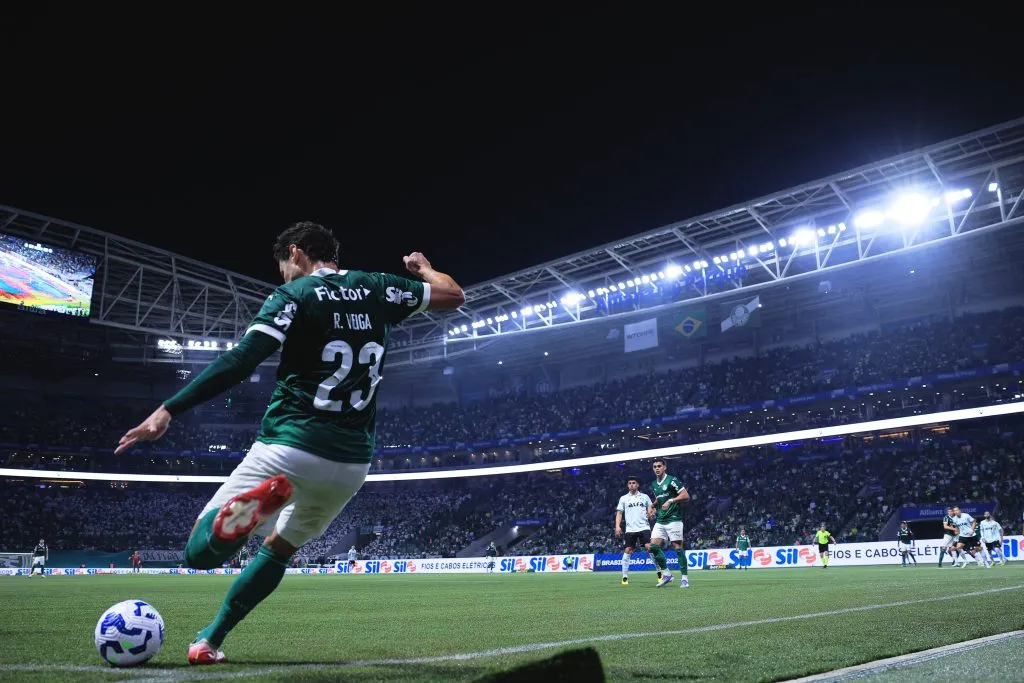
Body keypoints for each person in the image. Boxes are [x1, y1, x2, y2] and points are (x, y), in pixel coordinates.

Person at [115, 222, 464, 665]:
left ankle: (238, 520)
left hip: (290, 445)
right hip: (351, 464)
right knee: (279, 550)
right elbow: (454, 295)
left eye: (282, 265)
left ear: (296, 253)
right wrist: (424, 268)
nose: (282, 274)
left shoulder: (294, 296)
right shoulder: (379, 287)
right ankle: (209, 641)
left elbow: (242, 359)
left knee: (200, 553)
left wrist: (168, 409)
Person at [649, 459, 690, 588]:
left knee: (677, 547)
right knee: (653, 547)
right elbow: (660, 498)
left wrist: (671, 500)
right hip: (661, 520)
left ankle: (684, 578)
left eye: (659, 466)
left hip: (674, 519)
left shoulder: (672, 480)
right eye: (655, 466)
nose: (657, 468)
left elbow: (685, 495)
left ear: (664, 467)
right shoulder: (654, 484)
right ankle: (667, 574)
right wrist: (652, 506)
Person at [614, 476, 654, 585]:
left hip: (644, 527)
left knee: (649, 547)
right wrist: (617, 526)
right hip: (630, 529)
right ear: (628, 485)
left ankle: (660, 572)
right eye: (630, 483)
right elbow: (619, 513)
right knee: (628, 550)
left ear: (637, 485)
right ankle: (625, 577)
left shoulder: (644, 497)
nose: (631, 484)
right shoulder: (623, 498)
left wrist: (651, 513)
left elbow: (651, 508)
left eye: (634, 483)